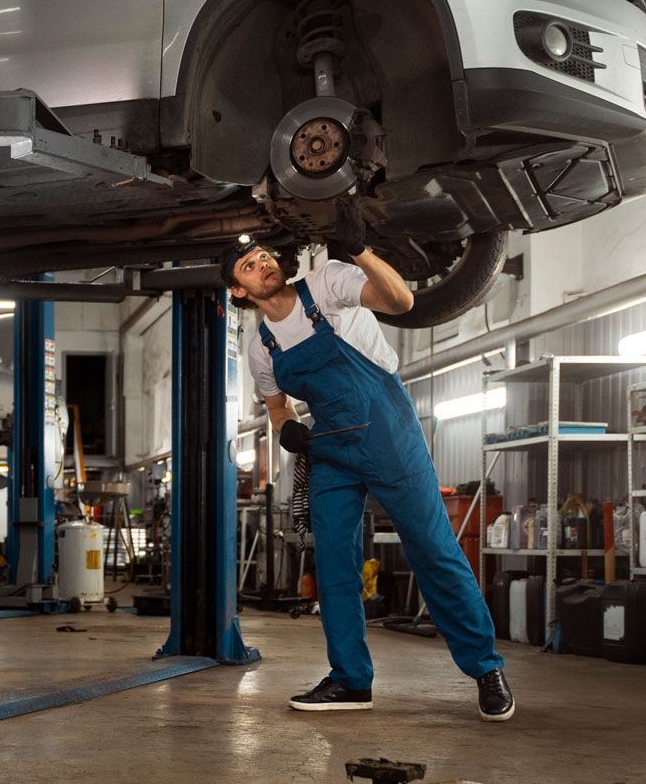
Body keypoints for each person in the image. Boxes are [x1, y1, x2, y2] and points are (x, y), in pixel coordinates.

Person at [220, 206, 514, 722]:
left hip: (388, 431)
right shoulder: (260, 345)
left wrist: (359, 250)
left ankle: (485, 668)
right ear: (238, 291)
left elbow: (401, 301)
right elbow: (276, 406)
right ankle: (351, 679)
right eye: (249, 265)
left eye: (264, 256)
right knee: (336, 566)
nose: (263, 264)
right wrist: (287, 428)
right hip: (330, 448)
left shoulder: (327, 282)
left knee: (433, 549)